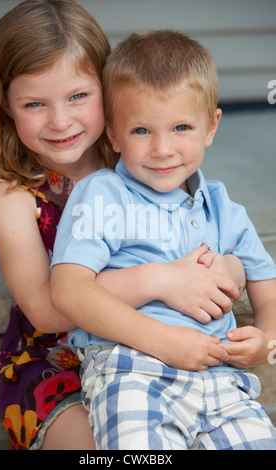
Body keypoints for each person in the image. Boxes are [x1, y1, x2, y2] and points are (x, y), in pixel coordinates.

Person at [0, 1, 244, 450]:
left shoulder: (142, 160)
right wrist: (158, 279)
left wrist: (226, 269)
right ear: (6, 105)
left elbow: (212, 235)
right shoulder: (12, 196)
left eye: (78, 96)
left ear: (109, 87)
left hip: (148, 352)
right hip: (55, 367)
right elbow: (45, 309)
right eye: (34, 103)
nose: (60, 121)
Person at [50, 30, 276, 450]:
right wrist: (163, 342)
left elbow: (268, 287)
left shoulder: (224, 207)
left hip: (222, 378)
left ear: (211, 127)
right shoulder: (103, 195)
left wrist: (265, 339)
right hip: (132, 370)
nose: (163, 149)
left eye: (181, 127)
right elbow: (67, 290)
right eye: (140, 131)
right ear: (113, 137)